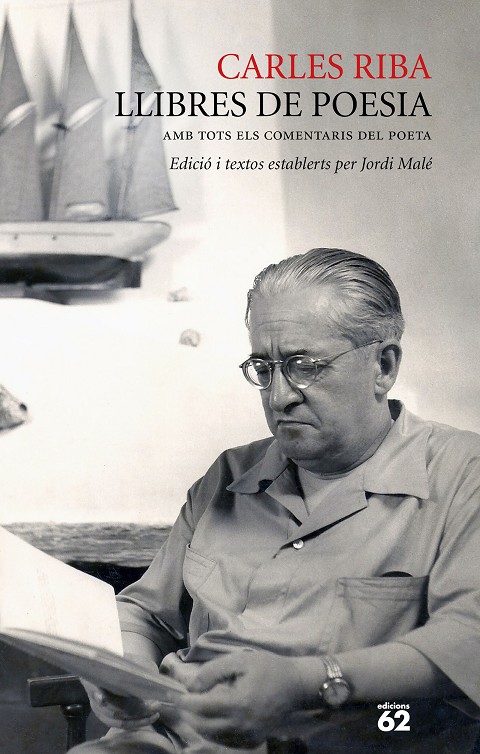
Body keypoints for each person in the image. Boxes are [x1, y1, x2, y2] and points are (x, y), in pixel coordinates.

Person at [72, 248, 480, 754]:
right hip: (161, 741)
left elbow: (470, 640)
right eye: (264, 368)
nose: (279, 395)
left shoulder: (464, 475)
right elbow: (145, 613)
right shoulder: (229, 474)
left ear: (384, 366)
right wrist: (125, 670)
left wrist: (306, 681)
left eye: (304, 366)